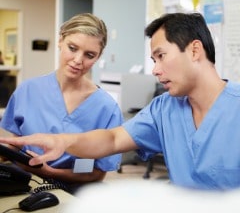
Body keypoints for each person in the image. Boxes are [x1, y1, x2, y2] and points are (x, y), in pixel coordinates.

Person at [1, 12, 239, 190]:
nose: (155, 70)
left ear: (194, 51)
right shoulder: (163, 108)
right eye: (153, 59)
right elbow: (113, 138)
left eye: (161, 56)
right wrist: (62, 141)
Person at [0, 13, 124, 193]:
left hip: (74, 192)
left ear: (98, 56)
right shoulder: (27, 90)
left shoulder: (107, 108)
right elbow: (15, 145)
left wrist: (50, 172)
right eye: (72, 48)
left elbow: (96, 174)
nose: (78, 60)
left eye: (89, 55)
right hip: (22, 186)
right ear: (60, 40)